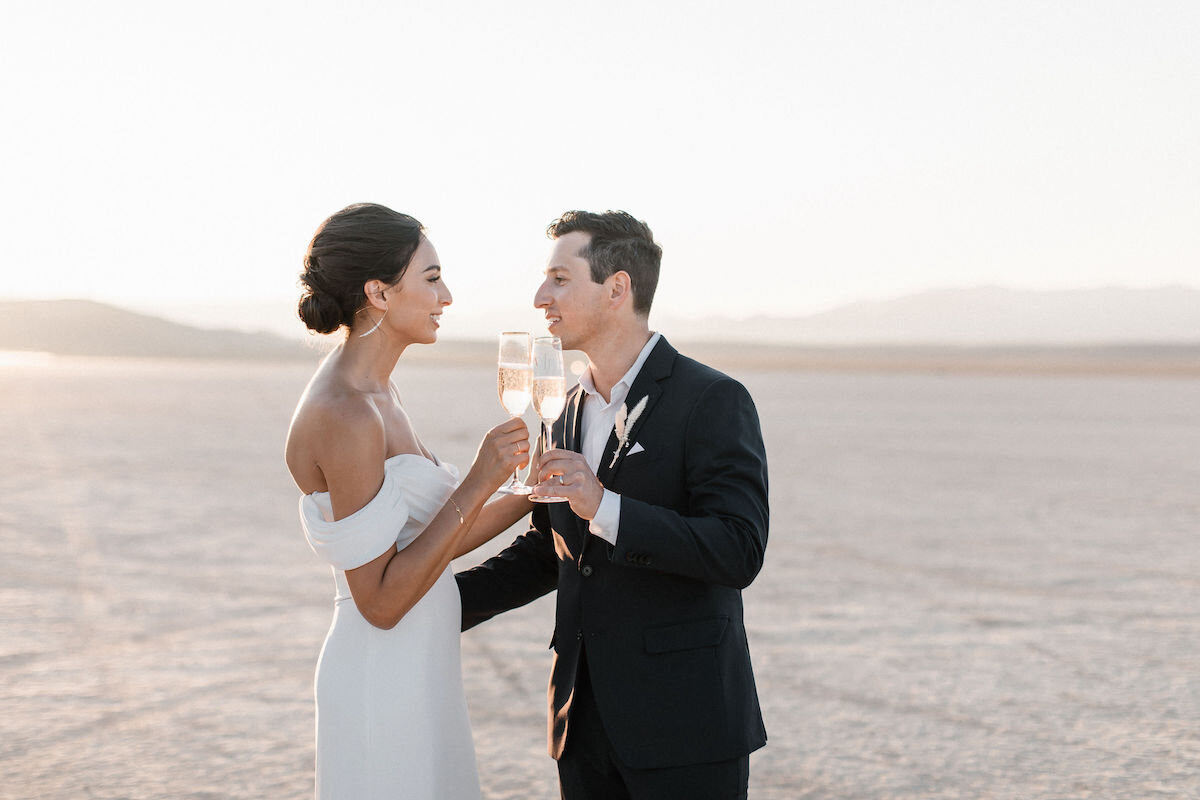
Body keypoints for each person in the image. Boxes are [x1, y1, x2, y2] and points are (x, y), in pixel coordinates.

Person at [455, 210, 770, 799]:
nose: (539, 296)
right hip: (581, 726)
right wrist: (433, 608)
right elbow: (551, 551)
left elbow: (738, 549)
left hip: (687, 726)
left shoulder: (714, 400)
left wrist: (605, 506)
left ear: (617, 288)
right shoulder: (564, 407)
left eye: (559, 279)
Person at [285, 203, 534, 800]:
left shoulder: (380, 391)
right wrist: (479, 479)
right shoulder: (347, 412)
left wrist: (532, 494)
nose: (445, 295)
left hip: (420, 668)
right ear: (378, 291)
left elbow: (433, 541)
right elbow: (381, 601)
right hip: (380, 673)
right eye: (430, 277)